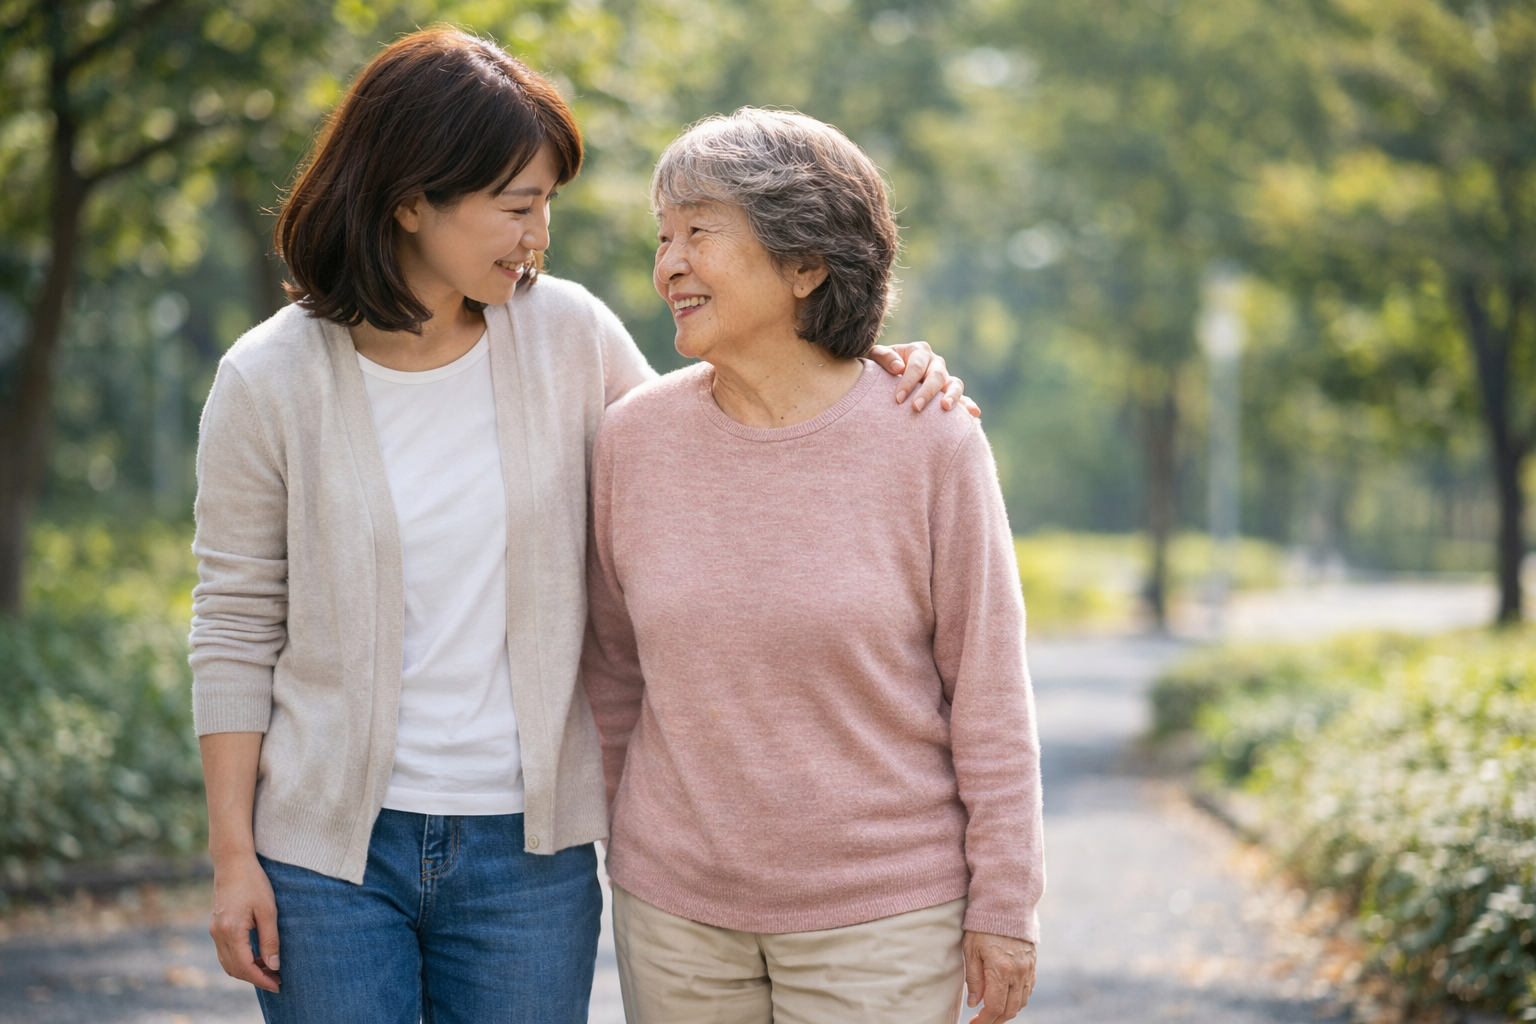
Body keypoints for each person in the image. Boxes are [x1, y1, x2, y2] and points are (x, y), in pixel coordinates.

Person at [190, 29, 972, 1024]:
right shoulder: (268, 378)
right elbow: (235, 623)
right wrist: (232, 857)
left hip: (526, 858)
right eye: (517, 207)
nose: (539, 236)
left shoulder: (570, 337)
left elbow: (720, 434)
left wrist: (864, 369)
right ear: (411, 200)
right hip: (326, 857)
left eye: (548, 204)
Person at [581, 107, 1044, 1024]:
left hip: (883, 915)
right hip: (675, 916)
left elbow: (989, 691)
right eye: (663, 237)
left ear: (805, 264)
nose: (668, 265)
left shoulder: (930, 437)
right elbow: (612, 672)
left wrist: (1005, 902)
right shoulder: (632, 440)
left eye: (700, 232)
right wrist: (629, 847)